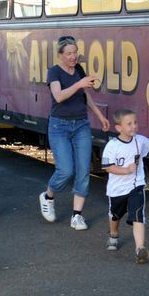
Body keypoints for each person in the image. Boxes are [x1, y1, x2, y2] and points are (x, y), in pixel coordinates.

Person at [39, 35, 111, 229]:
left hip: (81, 125)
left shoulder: (78, 70)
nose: (73, 56)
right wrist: (79, 83)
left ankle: (77, 215)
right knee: (65, 170)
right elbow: (59, 96)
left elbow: (84, 95)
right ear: (60, 55)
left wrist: (100, 115)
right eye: (69, 53)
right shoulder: (54, 72)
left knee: (83, 171)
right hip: (59, 126)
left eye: (75, 52)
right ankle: (48, 196)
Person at [101, 109, 149, 263]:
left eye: (135, 123)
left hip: (136, 186)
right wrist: (125, 170)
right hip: (117, 190)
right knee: (115, 215)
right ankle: (113, 234)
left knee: (139, 214)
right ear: (119, 128)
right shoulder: (112, 146)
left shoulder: (141, 140)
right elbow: (107, 167)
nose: (134, 126)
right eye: (129, 124)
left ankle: (140, 248)